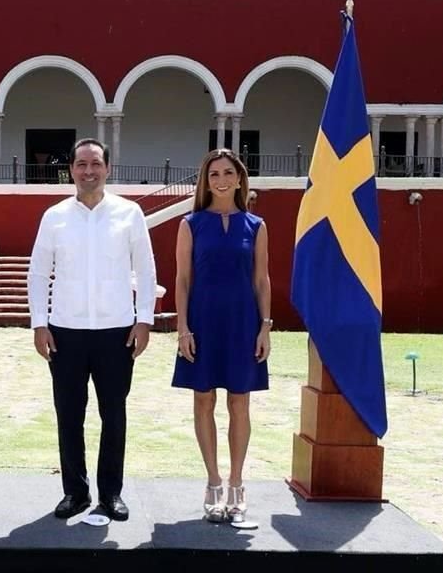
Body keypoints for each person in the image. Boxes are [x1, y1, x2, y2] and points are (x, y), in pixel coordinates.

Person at [27, 138, 156, 522]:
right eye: (81, 164)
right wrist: (39, 323)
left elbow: (146, 270)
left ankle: (111, 493)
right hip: (65, 331)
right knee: (69, 415)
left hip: (116, 331)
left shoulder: (129, 213)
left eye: (95, 163)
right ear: (71, 169)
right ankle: (75, 492)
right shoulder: (54, 216)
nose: (88, 171)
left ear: (108, 168)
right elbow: (37, 274)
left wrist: (144, 319)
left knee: (113, 414)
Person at [172, 148, 271, 525]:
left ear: (240, 178)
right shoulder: (191, 224)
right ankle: (213, 482)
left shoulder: (256, 225)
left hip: (243, 322)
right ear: (205, 181)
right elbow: (182, 280)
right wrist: (183, 328)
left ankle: (237, 484)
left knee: (240, 403)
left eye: (228, 172)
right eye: (214, 174)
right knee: (203, 400)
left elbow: (262, 280)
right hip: (203, 321)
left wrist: (265, 326)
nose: (221, 180)